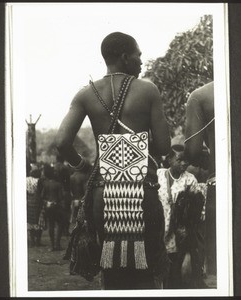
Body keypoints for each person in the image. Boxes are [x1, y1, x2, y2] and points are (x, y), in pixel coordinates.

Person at [55, 31, 171, 289]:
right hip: (143, 191)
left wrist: (82, 166)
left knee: (112, 273)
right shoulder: (148, 90)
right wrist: (135, 147)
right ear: (124, 57)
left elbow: (62, 142)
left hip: (103, 195)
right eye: (138, 55)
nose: (141, 61)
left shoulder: (85, 94)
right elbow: (164, 146)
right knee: (147, 273)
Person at [157, 147, 206, 288]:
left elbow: (197, 207)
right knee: (159, 264)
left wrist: (185, 227)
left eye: (186, 160)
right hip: (161, 227)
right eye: (179, 159)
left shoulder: (189, 179)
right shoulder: (160, 174)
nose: (184, 163)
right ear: (170, 159)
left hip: (178, 231)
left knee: (175, 265)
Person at [184, 81, 216, 280]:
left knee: (220, 270)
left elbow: (193, 151)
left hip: (222, 183)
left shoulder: (201, 95)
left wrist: (214, 160)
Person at [41, 164, 65, 251]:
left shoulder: (45, 184)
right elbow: (61, 197)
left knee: (51, 225)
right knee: (60, 224)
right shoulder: (58, 184)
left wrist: (47, 201)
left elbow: (42, 196)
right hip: (57, 206)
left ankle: (52, 245)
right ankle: (57, 244)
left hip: (48, 206)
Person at [26, 163, 45, 247]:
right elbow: (41, 193)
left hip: (28, 202)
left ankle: (32, 240)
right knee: (38, 221)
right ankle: (38, 241)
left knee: (30, 221)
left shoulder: (26, 179)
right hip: (37, 202)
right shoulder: (39, 181)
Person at [53, 154, 71, 236]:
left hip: (55, 191)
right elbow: (68, 181)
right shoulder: (65, 168)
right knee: (66, 211)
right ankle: (65, 231)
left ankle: (58, 231)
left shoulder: (53, 167)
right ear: (63, 159)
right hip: (64, 191)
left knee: (57, 212)